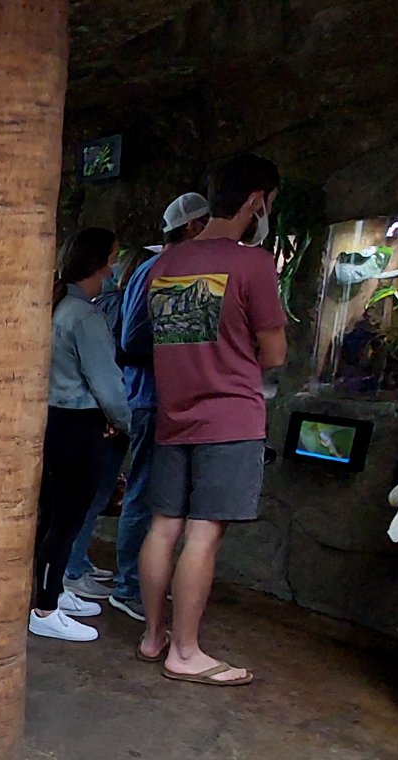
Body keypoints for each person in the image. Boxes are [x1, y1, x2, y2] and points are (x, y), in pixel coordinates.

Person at [136, 156, 286, 685]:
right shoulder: (253, 264)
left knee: (163, 526)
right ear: (256, 201)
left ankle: (154, 637)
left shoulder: (166, 264)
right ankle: (186, 651)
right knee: (203, 534)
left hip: (174, 413)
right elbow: (274, 354)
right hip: (229, 417)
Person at [93, 192, 212, 621]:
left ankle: (141, 582)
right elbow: (134, 339)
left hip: (160, 398)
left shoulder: (162, 268)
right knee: (144, 494)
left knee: (153, 495)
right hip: (150, 397)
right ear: (195, 227)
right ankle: (129, 586)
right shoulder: (161, 269)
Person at [31, 228, 131, 642]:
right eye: (113, 257)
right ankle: (45, 607)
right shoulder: (86, 317)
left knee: (52, 515)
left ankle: (51, 590)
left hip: (54, 421)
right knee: (66, 520)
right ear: (100, 265)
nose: (116, 266)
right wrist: (126, 422)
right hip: (79, 425)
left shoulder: (55, 308)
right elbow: (108, 385)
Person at [62, 246, 148, 597]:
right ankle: (70, 569)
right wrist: (119, 416)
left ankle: (75, 563)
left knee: (93, 495)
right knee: (90, 496)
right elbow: (107, 370)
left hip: (106, 412)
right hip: (107, 414)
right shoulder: (101, 310)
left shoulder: (97, 307)